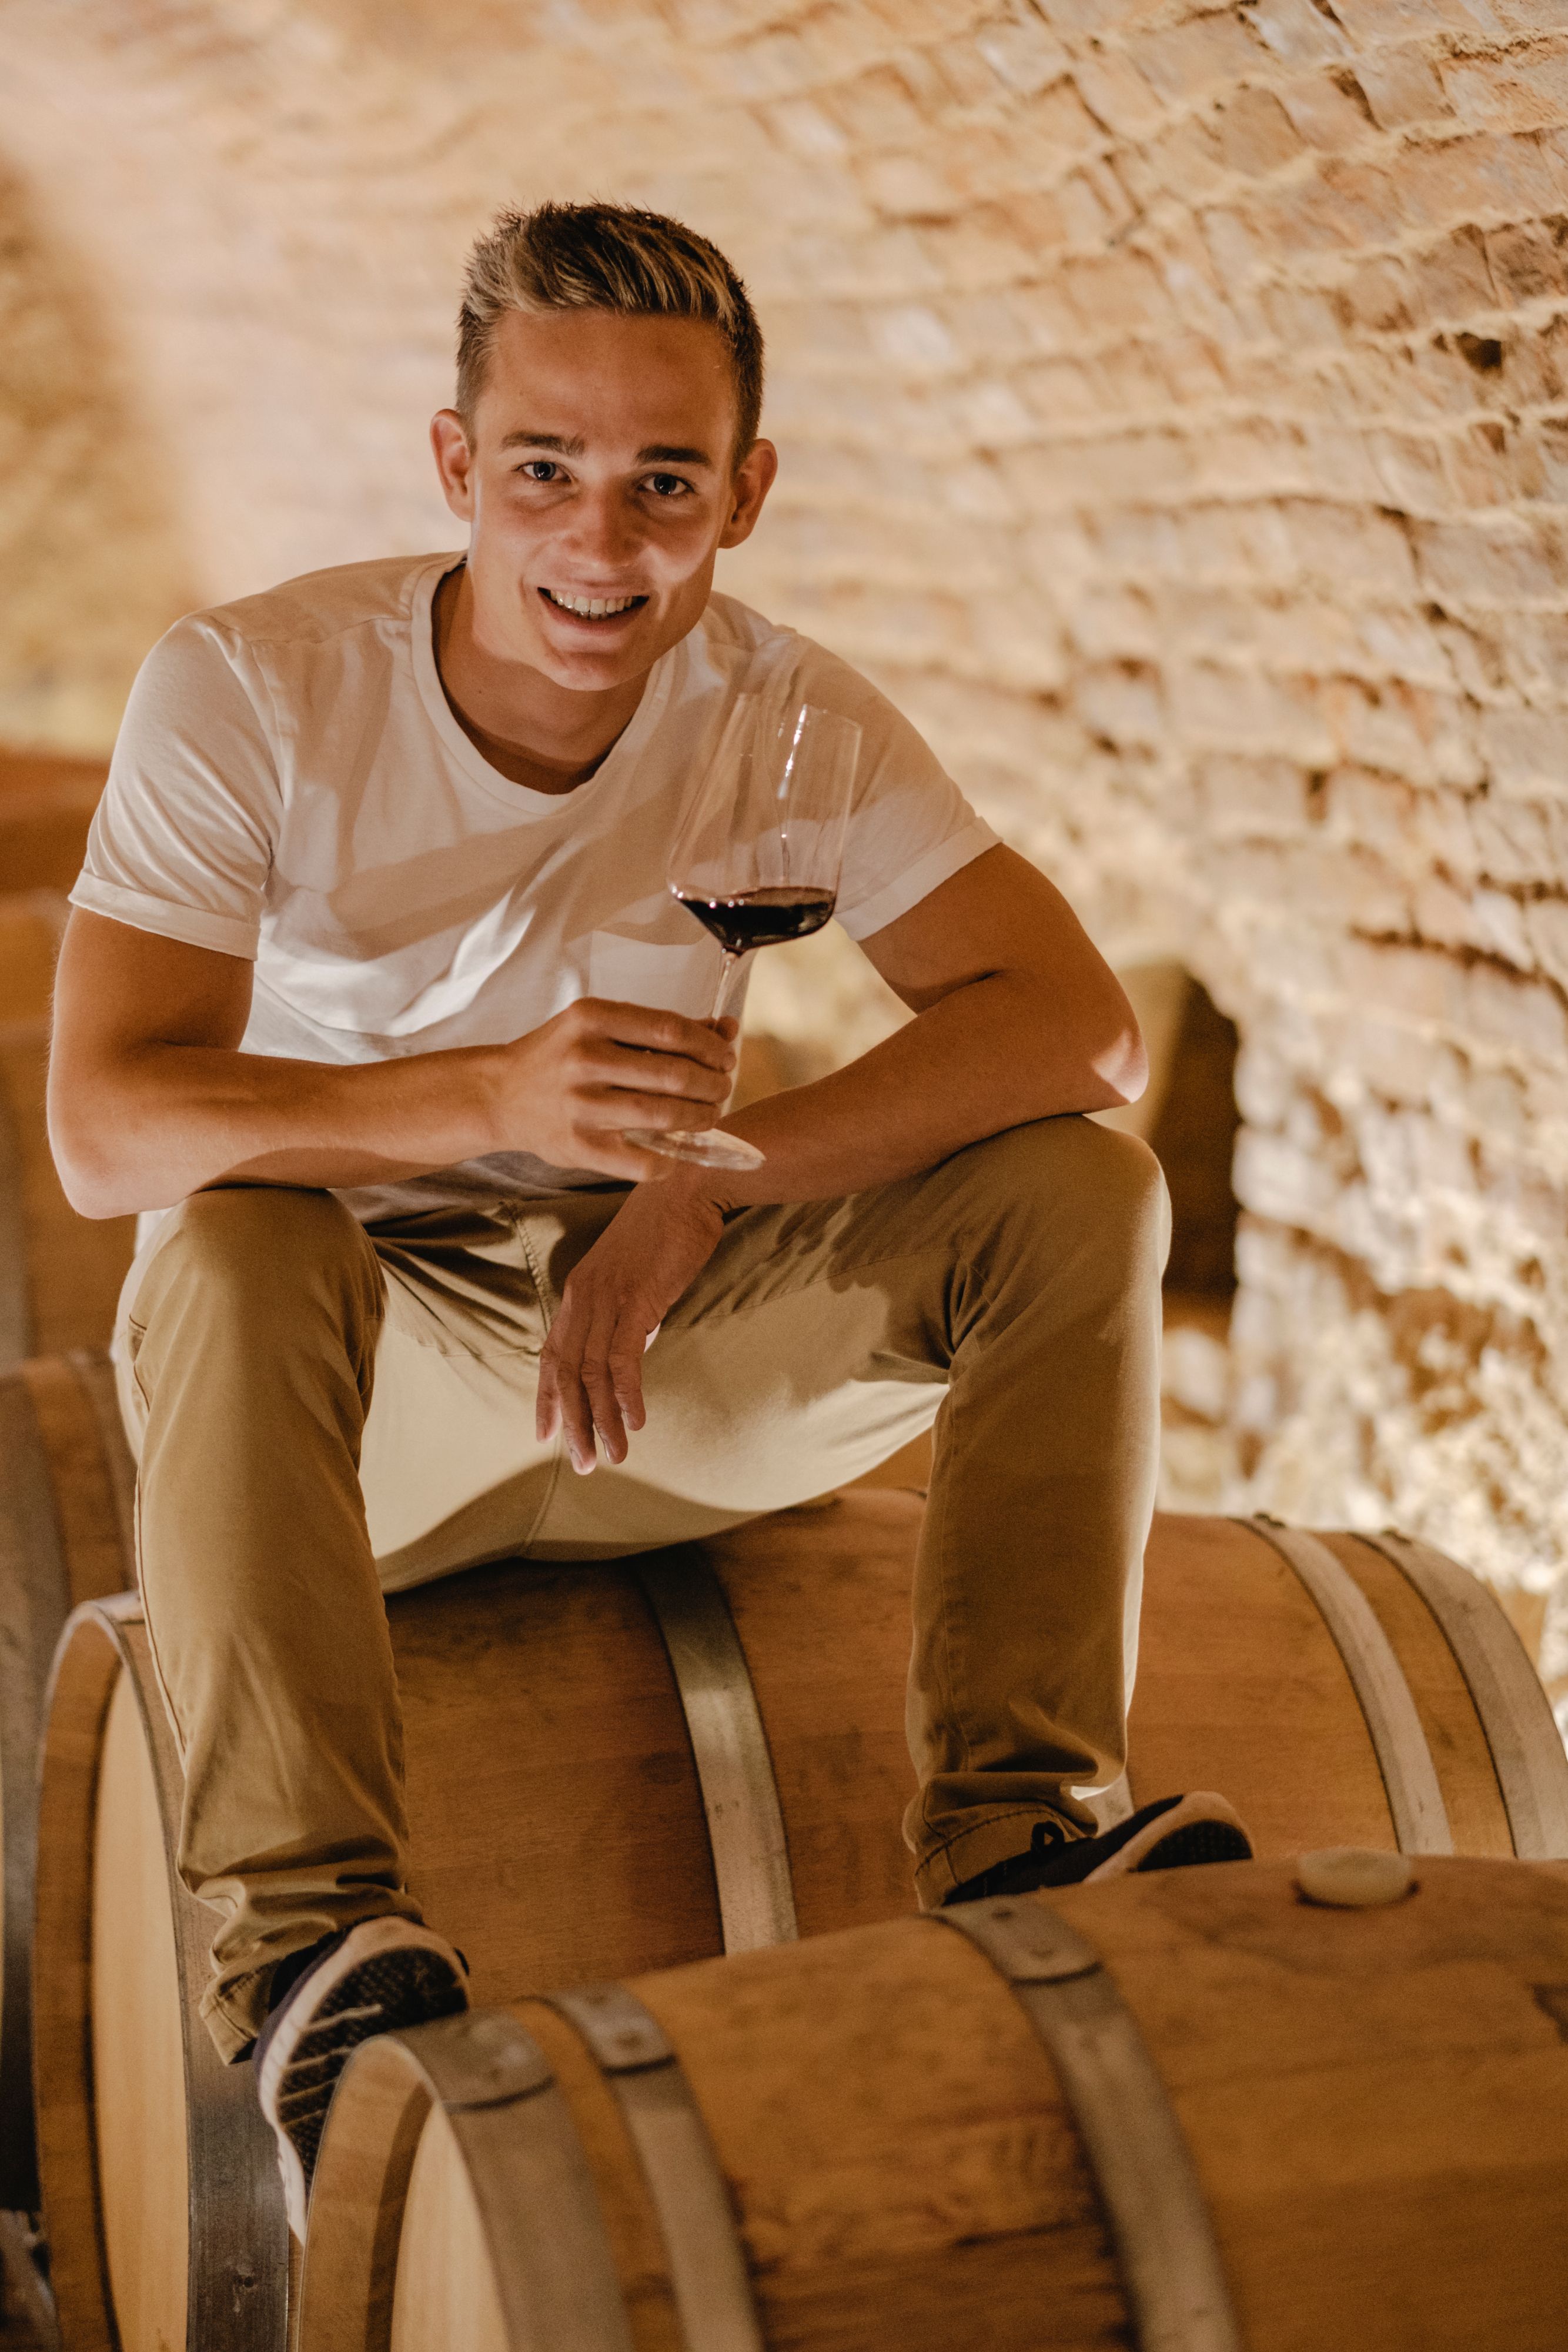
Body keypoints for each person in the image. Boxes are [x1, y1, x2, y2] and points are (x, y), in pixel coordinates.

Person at [49, 202, 1250, 2238]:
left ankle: (1022, 1839)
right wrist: (480, 1101)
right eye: (545, 472)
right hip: (362, 1412)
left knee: (1076, 1188)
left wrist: (722, 1175)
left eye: (662, 484)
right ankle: (309, 1959)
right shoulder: (250, 690)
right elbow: (99, 1133)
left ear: (743, 495)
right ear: (456, 467)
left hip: (650, 1354)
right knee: (238, 1241)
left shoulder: (791, 722)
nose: (600, 544)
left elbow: (1067, 1028)